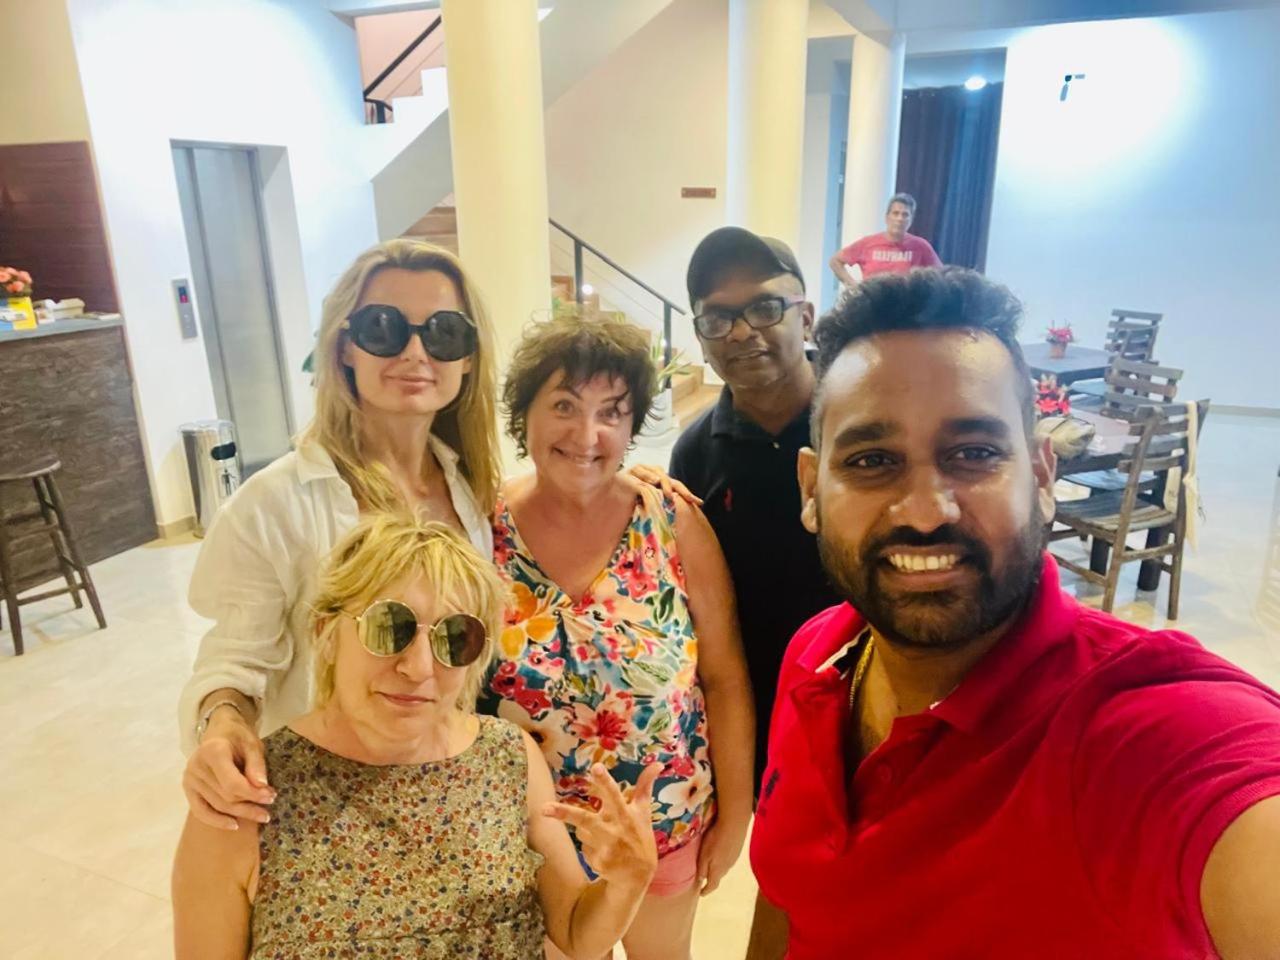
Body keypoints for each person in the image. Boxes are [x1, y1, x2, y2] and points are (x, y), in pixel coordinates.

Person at [747, 267, 1280, 959]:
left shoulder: (1145, 735)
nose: (926, 511)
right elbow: (792, 893)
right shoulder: (817, 654)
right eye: (872, 460)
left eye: (974, 454)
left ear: (1041, 475)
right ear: (810, 491)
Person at [173, 515, 660, 959]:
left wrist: (625, 882)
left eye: (455, 638)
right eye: (389, 628)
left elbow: (575, 932)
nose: (420, 667)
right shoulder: (245, 796)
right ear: (327, 631)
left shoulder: (509, 759)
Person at [178, 239, 502, 829]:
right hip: (327, 809)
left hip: (443, 793)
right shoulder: (275, 503)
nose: (415, 352)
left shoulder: (470, 490)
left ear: (468, 358)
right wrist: (221, 724)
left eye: (444, 333)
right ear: (344, 346)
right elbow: (235, 659)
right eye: (383, 328)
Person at [481, 313, 755, 960]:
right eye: (564, 406)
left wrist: (736, 815)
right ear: (524, 415)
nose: (587, 434)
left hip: (663, 821)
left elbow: (725, 677)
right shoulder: (481, 530)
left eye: (611, 411)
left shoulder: (671, 519)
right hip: (532, 840)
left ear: (632, 426)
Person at [670, 227, 841, 789]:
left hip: (866, 697)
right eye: (718, 318)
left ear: (806, 318)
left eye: (766, 308)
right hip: (759, 711)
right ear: (702, 339)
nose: (742, 331)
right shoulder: (695, 453)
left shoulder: (860, 425)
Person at [828, 192, 941, 288]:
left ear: (911, 220)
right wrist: (853, 286)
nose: (900, 219)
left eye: (905, 215)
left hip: (906, 305)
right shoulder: (867, 243)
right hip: (873, 304)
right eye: (895, 213)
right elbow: (835, 261)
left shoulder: (920, 246)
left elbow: (940, 274)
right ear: (887, 218)